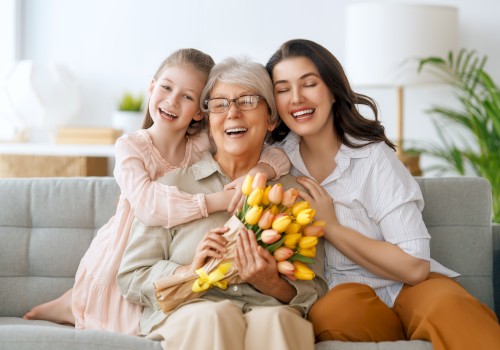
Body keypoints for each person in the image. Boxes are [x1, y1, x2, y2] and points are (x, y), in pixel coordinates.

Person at [23, 49, 291, 335]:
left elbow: (278, 155)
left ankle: (71, 303)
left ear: (200, 112)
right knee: (108, 311)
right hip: (126, 240)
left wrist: (260, 171)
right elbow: (149, 207)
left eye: (187, 97)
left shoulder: (202, 143)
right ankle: (69, 305)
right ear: (151, 87)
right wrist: (215, 201)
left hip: (159, 242)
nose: (173, 100)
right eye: (166, 87)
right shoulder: (131, 147)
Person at [265, 38, 500, 350]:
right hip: (344, 293)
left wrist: (331, 227)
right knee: (334, 314)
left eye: (309, 83)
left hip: (410, 286)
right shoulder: (275, 163)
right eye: (282, 89)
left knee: (450, 306)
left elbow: (415, 267)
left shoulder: (373, 157)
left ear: (333, 90)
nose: (296, 98)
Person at [117, 56, 328, 350]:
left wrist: (270, 282)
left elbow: (314, 288)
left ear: (271, 120)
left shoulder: (291, 195)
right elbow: (131, 277)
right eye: (220, 103)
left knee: (280, 321)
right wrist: (191, 271)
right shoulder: (173, 187)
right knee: (216, 315)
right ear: (208, 119)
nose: (232, 113)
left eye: (248, 101)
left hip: (268, 308)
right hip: (191, 309)